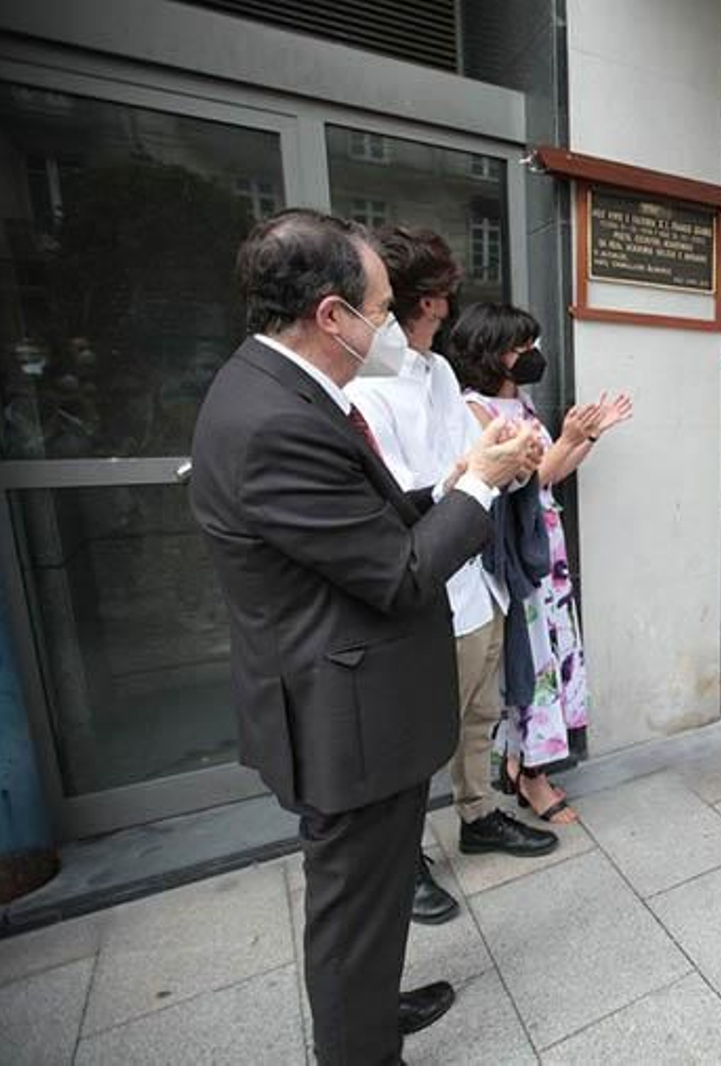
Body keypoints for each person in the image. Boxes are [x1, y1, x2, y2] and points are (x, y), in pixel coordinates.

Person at [190, 209, 538, 1062]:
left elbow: (366, 535)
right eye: (381, 309)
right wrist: (485, 489)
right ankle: (359, 1048)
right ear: (331, 315)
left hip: (351, 695)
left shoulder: (280, 391)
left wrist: (454, 483)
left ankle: (371, 1012)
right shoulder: (275, 420)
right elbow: (399, 575)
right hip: (339, 711)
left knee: (374, 893)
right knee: (351, 905)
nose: (392, 326)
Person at [345, 226, 555, 929]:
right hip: (428, 589)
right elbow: (399, 499)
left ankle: (479, 815)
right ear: (430, 301)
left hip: (479, 579)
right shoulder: (367, 388)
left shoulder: (436, 372)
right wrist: (478, 473)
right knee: (413, 741)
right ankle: (401, 861)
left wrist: (503, 453)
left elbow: (468, 460)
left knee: (479, 716)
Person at [450, 303, 632, 823]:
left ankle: (519, 762)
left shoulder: (521, 404)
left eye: (532, 343)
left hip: (546, 547)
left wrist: (588, 437)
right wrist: (572, 438)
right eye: (519, 347)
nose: (531, 355)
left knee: (553, 647)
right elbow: (523, 482)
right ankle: (532, 774)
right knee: (531, 660)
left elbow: (551, 474)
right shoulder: (474, 411)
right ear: (489, 353)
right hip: (515, 555)